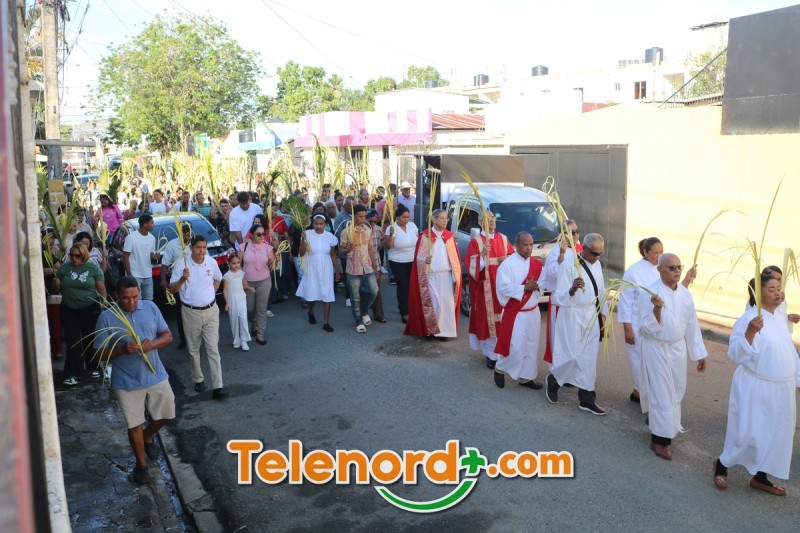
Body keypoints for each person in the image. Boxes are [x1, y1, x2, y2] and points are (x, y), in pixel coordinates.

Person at [713, 274, 800, 496]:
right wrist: (750, 332)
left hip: (782, 388)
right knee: (750, 433)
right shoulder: (749, 319)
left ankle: (761, 477)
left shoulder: (778, 317)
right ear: (758, 294)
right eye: (772, 289)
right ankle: (722, 464)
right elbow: (735, 354)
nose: (778, 293)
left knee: (777, 434)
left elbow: (788, 350)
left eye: (779, 288)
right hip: (757, 386)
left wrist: (797, 378)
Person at [93, 277, 174, 485]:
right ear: (117, 296)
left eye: (135, 297)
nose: (132, 302)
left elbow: (167, 336)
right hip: (126, 381)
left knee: (167, 414)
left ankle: (148, 435)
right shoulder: (106, 317)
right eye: (127, 298)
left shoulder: (150, 307)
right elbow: (98, 353)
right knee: (134, 423)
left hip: (155, 374)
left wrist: (153, 344)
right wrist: (121, 350)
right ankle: (141, 465)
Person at [637, 253, 707, 460]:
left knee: (676, 391)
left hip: (677, 349)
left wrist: (699, 353)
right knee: (662, 393)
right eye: (672, 268)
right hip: (657, 348)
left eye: (679, 267)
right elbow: (644, 328)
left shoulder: (685, 294)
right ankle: (659, 440)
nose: (677, 271)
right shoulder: (650, 293)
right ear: (660, 270)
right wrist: (657, 309)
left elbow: (691, 324)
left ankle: (663, 424)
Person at [619, 238, 698, 403]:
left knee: (661, 372)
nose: (659, 255)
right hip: (640, 323)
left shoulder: (664, 267)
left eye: (661, 252)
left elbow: (675, 295)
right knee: (639, 361)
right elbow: (625, 302)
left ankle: (655, 397)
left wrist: (687, 279)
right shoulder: (633, 271)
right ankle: (640, 391)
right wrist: (628, 328)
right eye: (655, 253)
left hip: (663, 326)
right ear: (645, 252)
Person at [546, 233, 607, 415]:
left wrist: (603, 315)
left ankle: (587, 399)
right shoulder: (568, 265)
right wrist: (572, 289)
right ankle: (554, 380)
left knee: (588, 358)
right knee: (571, 356)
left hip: (591, 315)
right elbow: (557, 297)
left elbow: (601, 291)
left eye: (600, 254)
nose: (596, 258)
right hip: (572, 314)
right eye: (594, 253)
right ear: (584, 248)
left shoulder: (597, 265)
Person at [168, 235, 227, 399]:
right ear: (191, 248)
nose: (202, 251)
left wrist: (210, 294)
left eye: (204, 247)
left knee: (213, 349)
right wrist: (182, 279)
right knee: (193, 349)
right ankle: (198, 379)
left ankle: (218, 386)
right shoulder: (182, 265)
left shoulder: (211, 262)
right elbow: (172, 289)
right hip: (190, 312)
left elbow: (218, 279)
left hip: (211, 311)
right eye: (198, 247)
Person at [492, 232, 544, 389]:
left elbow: (543, 283)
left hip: (532, 311)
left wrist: (538, 287)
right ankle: (500, 368)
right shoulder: (507, 265)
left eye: (531, 244)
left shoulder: (536, 264)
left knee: (531, 346)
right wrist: (523, 288)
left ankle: (526, 377)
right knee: (514, 347)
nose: (529, 248)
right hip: (515, 313)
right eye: (525, 245)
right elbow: (502, 287)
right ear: (516, 246)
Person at [53, 243, 107, 385]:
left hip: (90, 308)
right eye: (72, 255)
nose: (74, 258)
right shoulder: (64, 268)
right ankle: (72, 373)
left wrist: (103, 303)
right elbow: (56, 288)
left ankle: (94, 367)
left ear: (84, 255)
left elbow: (101, 288)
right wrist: (55, 284)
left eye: (78, 256)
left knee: (90, 339)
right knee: (73, 342)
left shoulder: (93, 268)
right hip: (69, 309)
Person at [466, 211, 515, 368]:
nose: (492, 221)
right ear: (480, 223)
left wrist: (507, 259)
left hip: (502, 285)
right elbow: (470, 264)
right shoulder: (476, 241)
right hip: (485, 286)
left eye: (493, 218)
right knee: (488, 320)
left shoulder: (503, 238)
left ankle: (503, 351)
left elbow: (514, 257)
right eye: (488, 219)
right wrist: (482, 255)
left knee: (503, 318)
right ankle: (491, 355)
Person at [405, 209, 462, 340]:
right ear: (434, 219)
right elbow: (418, 259)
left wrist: (455, 275)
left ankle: (444, 331)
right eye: (442, 218)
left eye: (446, 218)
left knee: (446, 304)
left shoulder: (449, 236)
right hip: (430, 276)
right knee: (433, 303)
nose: (445, 221)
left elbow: (455, 259)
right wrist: (425, 261)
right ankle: (430, 330)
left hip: (446, 275)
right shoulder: (425, 236)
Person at [541, 220, 582, 365]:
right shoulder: (555, 252)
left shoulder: (582, 250)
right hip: (561, 301)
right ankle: (556, 369)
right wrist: (562, 256)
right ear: (563, 235)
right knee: (558, 336)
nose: (576, 235)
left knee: (574, 337)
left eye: (577, 231)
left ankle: (571, 368)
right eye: (572, 232)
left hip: (577, 302)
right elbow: (555, 275)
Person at [339, 204, 380, 332]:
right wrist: (347, 249)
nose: (363, 219)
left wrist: (375, 267)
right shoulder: (346, 231)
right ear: (354, 216)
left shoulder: (368, 230)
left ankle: (364, 311)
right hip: (353, 269)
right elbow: (341, 251)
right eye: (360, 216)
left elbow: (370, 249)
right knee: (355, 297)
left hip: (367, 267)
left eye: (364, 216)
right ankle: (358, 320)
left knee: (374, 291)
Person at [296, 214, 340, 332]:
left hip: (326, 267)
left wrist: (337, 270)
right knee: (312, 294)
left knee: (327, 294)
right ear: (313, 224)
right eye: (316, 224)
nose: (318, 226)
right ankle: (310, 311)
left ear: (325, 224)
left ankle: (326, 322)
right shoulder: (307, 234)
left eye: (321, 224)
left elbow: (333, 254)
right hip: (312, 266)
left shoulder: (330, 236)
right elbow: (301, 253)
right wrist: (303, 240)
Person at [239, 224, 274, 346]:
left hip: (264, 280)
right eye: (258, 234)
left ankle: (260, 333)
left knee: (261, 308)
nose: (262, 236)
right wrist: (242, 279)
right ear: (252, 235)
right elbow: (238, 265)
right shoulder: (243, 247)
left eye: (263, 234)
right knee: (250, 308)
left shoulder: (268, 247)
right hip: (248, 282)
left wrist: (274, 260)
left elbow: (270, 265)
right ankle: (253, 322)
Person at [160, 223, 192, 349]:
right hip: (179, 283)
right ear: (179, 232)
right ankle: (184, 339)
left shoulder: (195, 243)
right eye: (183, 231)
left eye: (188, 230)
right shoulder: (172, 245)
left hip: (195, 283)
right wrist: (163, 280)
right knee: (181, 312)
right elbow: (165, 263)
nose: (186, 233)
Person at [385, 205, 418, 323]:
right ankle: (405, 311)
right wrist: (391, 235)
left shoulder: (412, 225)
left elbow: (418, 239)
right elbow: (388, 246)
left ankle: (410, 307)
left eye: (408, 217)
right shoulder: (391, 228)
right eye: (404, 217)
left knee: (411, 285)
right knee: (403, 285)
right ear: (397, 217)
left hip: (412, 259)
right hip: (397, 260)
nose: (406, 219)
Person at [223, 256, 255, 351]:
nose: (236, 265)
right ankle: (236, 340)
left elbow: (244, 285)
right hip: (232, 300)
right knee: (234, 320)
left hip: (241, 298)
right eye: (234, 263)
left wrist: (249, 288)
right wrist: (227, 303)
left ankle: (244, 340)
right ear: (229, 264)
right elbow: (225, 289)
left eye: (238, 263)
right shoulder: (227, 276)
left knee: (243, 319)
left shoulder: (241, 273)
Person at [123, 214, 158, 301]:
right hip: (134, 275)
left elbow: (151, 255)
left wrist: (155, 257)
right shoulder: (131, 238)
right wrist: (129, 275)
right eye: (151, 222)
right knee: (136, 301)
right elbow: (125, 257)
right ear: (145, 224)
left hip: (148, 275)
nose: (154, 225)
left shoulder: (152, 238)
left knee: (149, 301)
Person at [366, 209, 387, 322]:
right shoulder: (359, 229)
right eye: (371, 221)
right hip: (363, 263)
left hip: (376, 262)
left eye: (375, 221)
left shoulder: (378, 229)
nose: (373, 224)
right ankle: (363, 314)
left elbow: (379, 247)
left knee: (377, 290)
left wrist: (382, 240)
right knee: (364, 290)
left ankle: (379, 314)